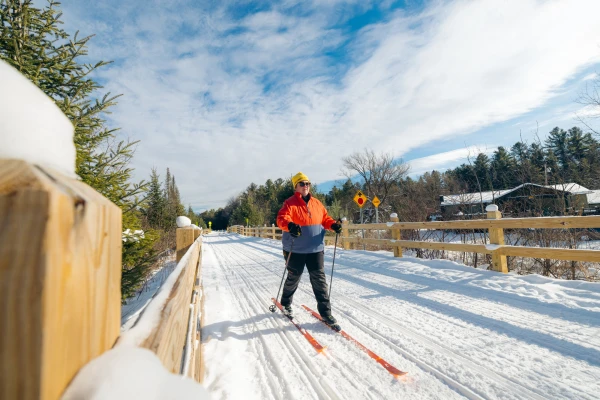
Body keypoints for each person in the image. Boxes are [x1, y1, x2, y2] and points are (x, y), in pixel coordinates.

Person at [276, 172, 343, 329]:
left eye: (307, 183)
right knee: (294, 277)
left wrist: (333, 225)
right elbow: (281, 219)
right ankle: (286, 303)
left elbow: (325, 219)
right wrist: (290, 226)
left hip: (315, 249)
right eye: (302, 184)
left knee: (319, 280)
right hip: (295, 249)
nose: (305, 186)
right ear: (296, 187)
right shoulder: (289, 203)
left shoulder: (317, 203)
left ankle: (326, 313)